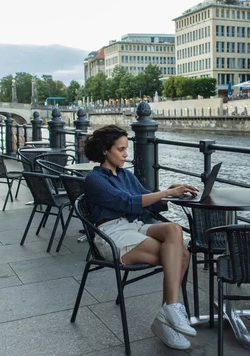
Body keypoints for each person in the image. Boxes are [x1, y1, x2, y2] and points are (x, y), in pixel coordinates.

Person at [83, 124, 199, 350]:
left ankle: (170, 310)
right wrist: (166, 193)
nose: (126, 154)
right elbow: (127, 202)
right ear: (105, 150)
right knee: (182, 255)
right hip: (110, 234)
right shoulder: (94, 179)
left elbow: (149, 200)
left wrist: (172, 191)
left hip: (132, 226)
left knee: (174, 229)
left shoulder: (125, 174)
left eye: (127, 149)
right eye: (121, 149)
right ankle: (166, 321)